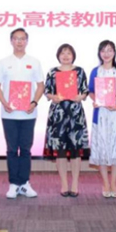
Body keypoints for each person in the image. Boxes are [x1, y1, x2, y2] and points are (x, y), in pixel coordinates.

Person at [0, 28, 45, 199]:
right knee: (11, 149)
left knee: (25, 149)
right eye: (16, 38)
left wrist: (34, 102)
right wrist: (4, 102)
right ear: (11, 41)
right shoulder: (3, 62)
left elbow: (40, 86)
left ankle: (25, 183)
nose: (19, 42)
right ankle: (13, 184)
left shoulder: (34, 62)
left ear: (27, 41)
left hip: (28, 113)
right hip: (9, 113)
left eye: (22, 39)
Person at [43, 44, 90, 197]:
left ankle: (75, 183)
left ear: (73, 55)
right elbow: (47, 91)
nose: (65, 56)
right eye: (62, 53)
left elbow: (85, 90)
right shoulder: (52, 72)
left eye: (68, 53)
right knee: (60, 151)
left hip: (75, 115)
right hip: (58, 115)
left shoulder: (80, 71)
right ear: (58, 56)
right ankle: (64, 184)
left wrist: (81, 96)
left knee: (76, 151)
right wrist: (53, 97)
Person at [88, 40, 116, 198]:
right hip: (101, 114)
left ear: (114, 52)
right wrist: (95, 100)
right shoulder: (95, 71)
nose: (106, 54)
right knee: (102, 147)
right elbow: (91, 91)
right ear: (99, 53)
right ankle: (105, 183)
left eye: (109, 50)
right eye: (103, 51)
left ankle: (113, 182)